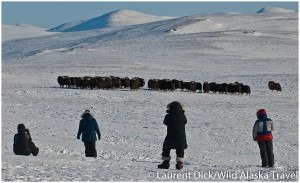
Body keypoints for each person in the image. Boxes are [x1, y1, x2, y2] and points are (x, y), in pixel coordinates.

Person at [158, 101, 187, 170]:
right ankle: (179, 163)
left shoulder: (168, 116)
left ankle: (166, 162)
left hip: (170, 136)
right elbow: (185, 122)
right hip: (181, 137)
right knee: (180, 149)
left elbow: (165, 122)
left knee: (166, 148)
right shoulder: (183, 116)